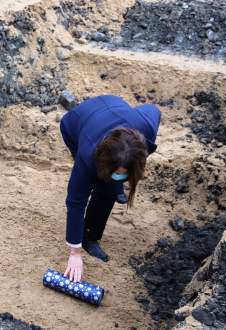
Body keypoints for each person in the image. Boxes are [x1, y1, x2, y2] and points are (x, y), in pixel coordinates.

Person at [60, 95, 161, 283]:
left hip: (114, 105)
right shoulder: (88, 154)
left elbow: (153, 110)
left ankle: (93, 231)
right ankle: (87, 237)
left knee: (109, 185)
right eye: (117, 173)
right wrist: (75, 252)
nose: (121, 175)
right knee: (100, 184)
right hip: (77, 123)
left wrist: (120, 178)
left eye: (124, 174)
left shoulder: (145, 129)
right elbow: (75, 201)